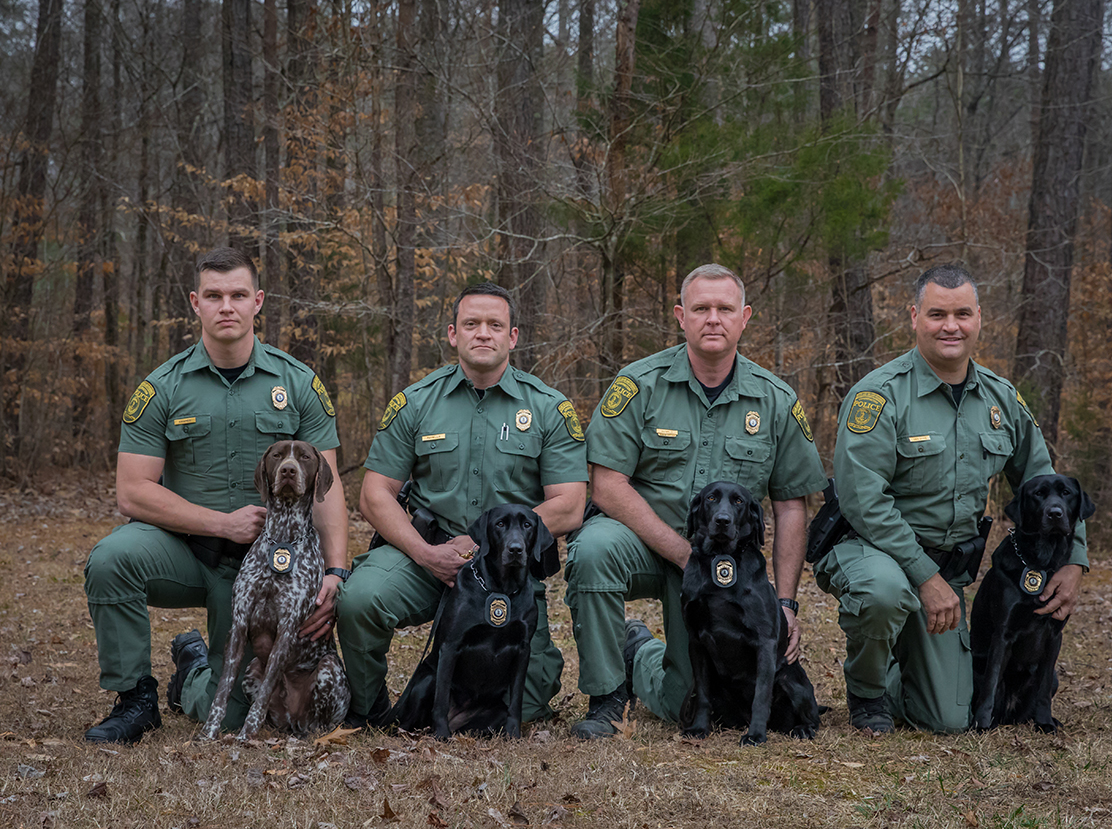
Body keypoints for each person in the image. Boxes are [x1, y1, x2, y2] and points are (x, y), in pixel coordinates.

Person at [83, 247, 349, 743]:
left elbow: (328, 488)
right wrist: (220, 523)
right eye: (214, 295)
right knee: (111, 558)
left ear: (258, 302)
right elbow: (132, 492)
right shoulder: (162, 387)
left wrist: (334, 571)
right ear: (195, 303)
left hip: (272, 569)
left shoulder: (299, 384)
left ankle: (189, 673)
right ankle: (134, 698)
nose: (226, 305)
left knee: (234, 714)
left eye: (238, 295)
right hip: (187, 550)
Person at [819, 263, 1088, 734]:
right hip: (870, 551)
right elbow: (863, 503)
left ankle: (907, 667)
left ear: (979, 317)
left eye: (962, 314)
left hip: (947, 568)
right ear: (914, 316)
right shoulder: (878, 397)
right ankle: (868, 692)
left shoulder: (1001, 400)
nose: (951, 326)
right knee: (883, 593)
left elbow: (1045, 481)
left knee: (949, 719)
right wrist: (925, 577)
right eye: (937, 314)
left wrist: (1075, 560)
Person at [565, 263, 827, 738]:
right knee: (593, 549)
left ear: (744, 317)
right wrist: (685, 553)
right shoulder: (639, 384)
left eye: (725, 308)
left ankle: (640, 651)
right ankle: (606, 698)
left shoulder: (775, 400)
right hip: (647, 545)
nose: (713, 319)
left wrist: (785, 602)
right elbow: (606, 486)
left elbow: (791, 505)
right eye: (701, 308)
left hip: (726, 570)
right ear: (680, 316)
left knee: (682, 704)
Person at [339, 282, 587, 727]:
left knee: (528, 701)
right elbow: (373, 495)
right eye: (471, 324)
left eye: (496, 325)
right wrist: (426, 553)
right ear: (453, 334)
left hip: (503, 569)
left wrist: (480, 549)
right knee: (360, 598)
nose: (483, 334)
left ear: (513, 337)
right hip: (423, 556)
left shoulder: (549, 408)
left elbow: (569, 505)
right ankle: (369, 707)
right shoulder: (416, 402)